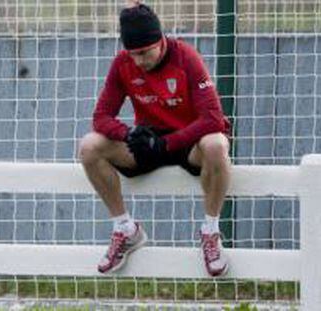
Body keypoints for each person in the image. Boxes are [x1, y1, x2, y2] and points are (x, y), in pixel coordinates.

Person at [79, 2, 231, 277]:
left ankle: (210, 232)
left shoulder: (186, 57)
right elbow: (101, 117)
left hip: (187, 143)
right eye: (132, 53)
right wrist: (128, 134)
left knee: (217, 143)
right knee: (90, 146)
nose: (138, 61)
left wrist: (168, 143)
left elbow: (213, 118)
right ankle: (125, 228)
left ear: (160, 40)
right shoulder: (123, 63)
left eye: (145, 53)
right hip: (147, 143)